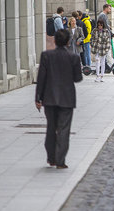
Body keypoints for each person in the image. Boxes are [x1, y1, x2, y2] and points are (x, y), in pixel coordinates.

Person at [35, 29, 83, 169]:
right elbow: (77, 78)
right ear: (68, 41)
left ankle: (51, 158)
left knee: (51, 127)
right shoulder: (74, 57)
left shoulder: (46, 55)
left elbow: (41, 78)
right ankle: (60, 160)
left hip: (49, 98)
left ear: (54, 41)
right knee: (64, 129)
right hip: (67, 99)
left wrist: (38, 98)